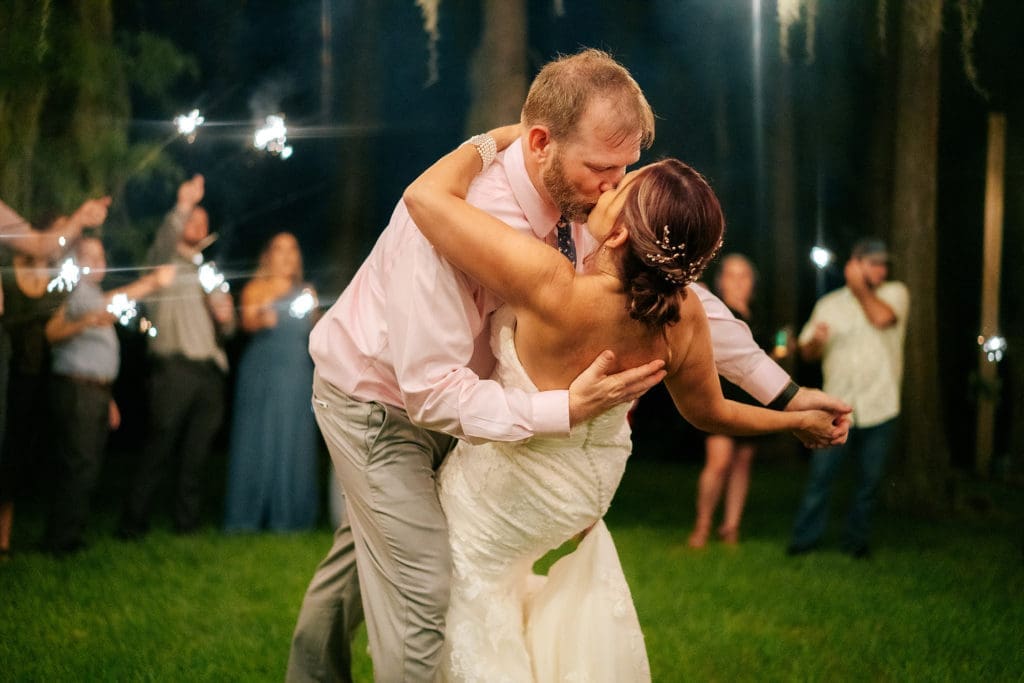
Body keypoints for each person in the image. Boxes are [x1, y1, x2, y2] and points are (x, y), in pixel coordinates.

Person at [287, 49, 850, 683]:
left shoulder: (589, 212)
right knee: (422, 586)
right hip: (377, 401)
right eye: (601, 168)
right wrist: (564, 409)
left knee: (368, 559)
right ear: (540, 144)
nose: (616, 187)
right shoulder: (456, 219)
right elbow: (430, 393)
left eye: (626, 169)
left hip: (471, 408)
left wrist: (785, 391)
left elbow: (689, 303)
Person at [403, 125, 839, 680]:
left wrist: (497, 139)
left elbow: (425, 198)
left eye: (621, 189)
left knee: (471, 585)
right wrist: (793, 417)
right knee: (502, 582)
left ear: (615, 238)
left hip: (507, 489)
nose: (608, 188)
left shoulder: (550, 286)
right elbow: (711, 413)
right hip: (582, 494)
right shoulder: (683, 317)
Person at [117, 174, 236, 538]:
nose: (199, 224)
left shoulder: (209, 272)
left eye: (204, 220)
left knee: (197, 453)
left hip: (210, 371)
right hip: (174, 368)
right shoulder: (162, 260)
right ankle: (133, 523)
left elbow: (228, 330)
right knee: (160, 446)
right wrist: (184, 203)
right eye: (192, 219)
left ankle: (186, 523)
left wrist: (227, 319)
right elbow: (167, 237)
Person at [43, 236, 175, 555]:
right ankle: (61, 541)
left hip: (95, 392)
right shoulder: (76, 293)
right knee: (79, 463)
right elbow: (51, 333)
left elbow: (92, 352)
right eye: (89, 255)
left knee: (87, 463)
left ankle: (70, 533)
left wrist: (109, 398)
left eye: (102, 256)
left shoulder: (92, 296)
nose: (98, 262)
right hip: (77, 391)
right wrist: (152, 282)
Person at [787, 238, 909, 558]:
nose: (881, 269)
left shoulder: (894, 295)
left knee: (868, 482)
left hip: (881, 404)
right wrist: (817, 341)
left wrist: (859, 287)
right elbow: (808, 352)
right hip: (837, 407)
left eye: (884, 264)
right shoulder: (829, 304)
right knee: (820, 478)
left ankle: (856, 542)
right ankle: (804, 540)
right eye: (874, 263)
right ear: (855, 265)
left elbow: (882, 319)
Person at [223, 232, 320, 532]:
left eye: (292, 249)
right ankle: (248, 514)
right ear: (268, 255)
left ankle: (290, 515)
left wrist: (316, 310)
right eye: (279, 249)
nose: (286, 255)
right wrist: (263, 316)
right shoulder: (256, 287)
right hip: (263, 369)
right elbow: (247, 321)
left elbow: (317, 331)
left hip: (296, 370)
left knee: (293, 436)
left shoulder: (306, 290)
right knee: (259, 436)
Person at [688, 254, 770, 548]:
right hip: (720, 395)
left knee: (742, 462)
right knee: (719, 461)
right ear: (721, 281)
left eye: (744, 275)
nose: (737, 282)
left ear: (753, 283)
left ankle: (731, 527)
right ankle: (702, 526)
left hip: (750, 397)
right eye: (731, 275)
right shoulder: (716, 312)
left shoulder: (760, 317)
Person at [0, 229, 70, 559]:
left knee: (17, 453)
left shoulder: (57, 279)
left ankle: (4, 540)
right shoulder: (10, 269)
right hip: (9, 366)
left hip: (36, 374)